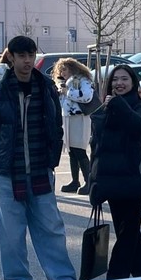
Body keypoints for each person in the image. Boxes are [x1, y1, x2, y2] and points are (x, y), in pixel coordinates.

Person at [0, 35, 76, 280]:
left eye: (31, 55)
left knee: (51, 229)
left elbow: (56, 125)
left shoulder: (46, 87)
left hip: (41, 170)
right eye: (22, 56)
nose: (27, 61)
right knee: (11, 234)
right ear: (10, 57)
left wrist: (52, 161)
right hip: (8, 172)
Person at [88, 64, 141, 280]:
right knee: (129, 234)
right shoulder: (104, 108)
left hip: (133, 182)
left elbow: (140, 127)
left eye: (124, 79)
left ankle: (116, 279)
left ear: (133, 82)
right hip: (111, 183)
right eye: (115, 80)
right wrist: (93, 183)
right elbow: (97, 148)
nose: (119, 83)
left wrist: (119, 106)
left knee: (128, 234)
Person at [51, 57, 96, 195]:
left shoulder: (83, 80)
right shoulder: (66, 82)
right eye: (60, 70)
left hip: (79, 117)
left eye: (65, 69)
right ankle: (74, 180)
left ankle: (89, 182)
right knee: (71, 150)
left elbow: (87, 96)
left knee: (79, 150)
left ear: (73, 68)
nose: (62, 72)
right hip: (68, 118)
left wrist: (67, 92)